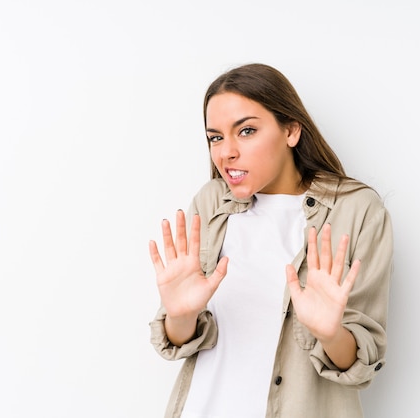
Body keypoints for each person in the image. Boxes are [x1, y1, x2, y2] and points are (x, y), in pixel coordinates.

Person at [149, 63, 393, 418]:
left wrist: (330, 333)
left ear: (291, 130)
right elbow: (179, 338)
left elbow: (360, 363)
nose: (225, 152)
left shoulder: (355, 209)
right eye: (215, 137)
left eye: (246, 131)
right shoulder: (211, 201)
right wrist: (181, 316)